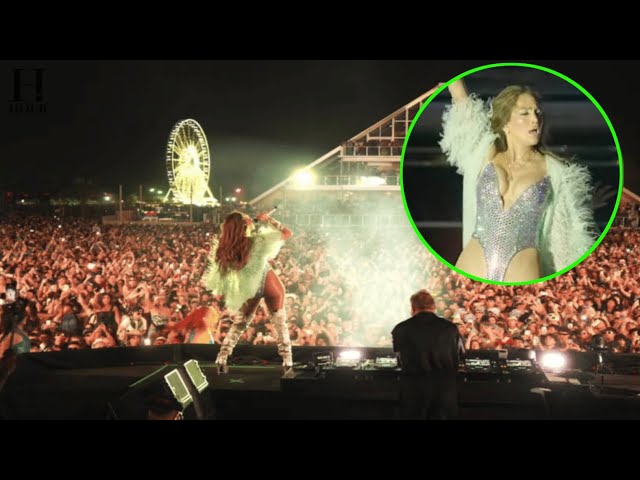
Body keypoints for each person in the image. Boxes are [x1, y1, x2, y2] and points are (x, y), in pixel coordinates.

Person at [438, 78, 597, 282]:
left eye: (537, 113)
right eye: (525, 113)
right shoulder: (486, 154)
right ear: (506, 123)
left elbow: (570, 231)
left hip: (523, 272)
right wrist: (453, 83)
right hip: (472, 266)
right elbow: (464, 106)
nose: (535, 119)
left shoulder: (555, 171)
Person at [202, 211, 293, 374]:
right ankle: (288, 359)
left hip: (249, 288)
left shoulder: (226, 248)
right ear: (244, 225)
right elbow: (287, 233)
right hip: (266, 280)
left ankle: (222, 356)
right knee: (280, 321)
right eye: (247, 219)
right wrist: (269, 220)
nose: (251, 219)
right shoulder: (257, 240)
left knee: (240, 323)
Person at [391, 290, 461, 420]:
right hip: (444, 391)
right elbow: (458, 356)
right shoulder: (450, 328)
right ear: (434, 307)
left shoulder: (401, 328)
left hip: (414, 391)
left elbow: (400, 359)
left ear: (413, 308)